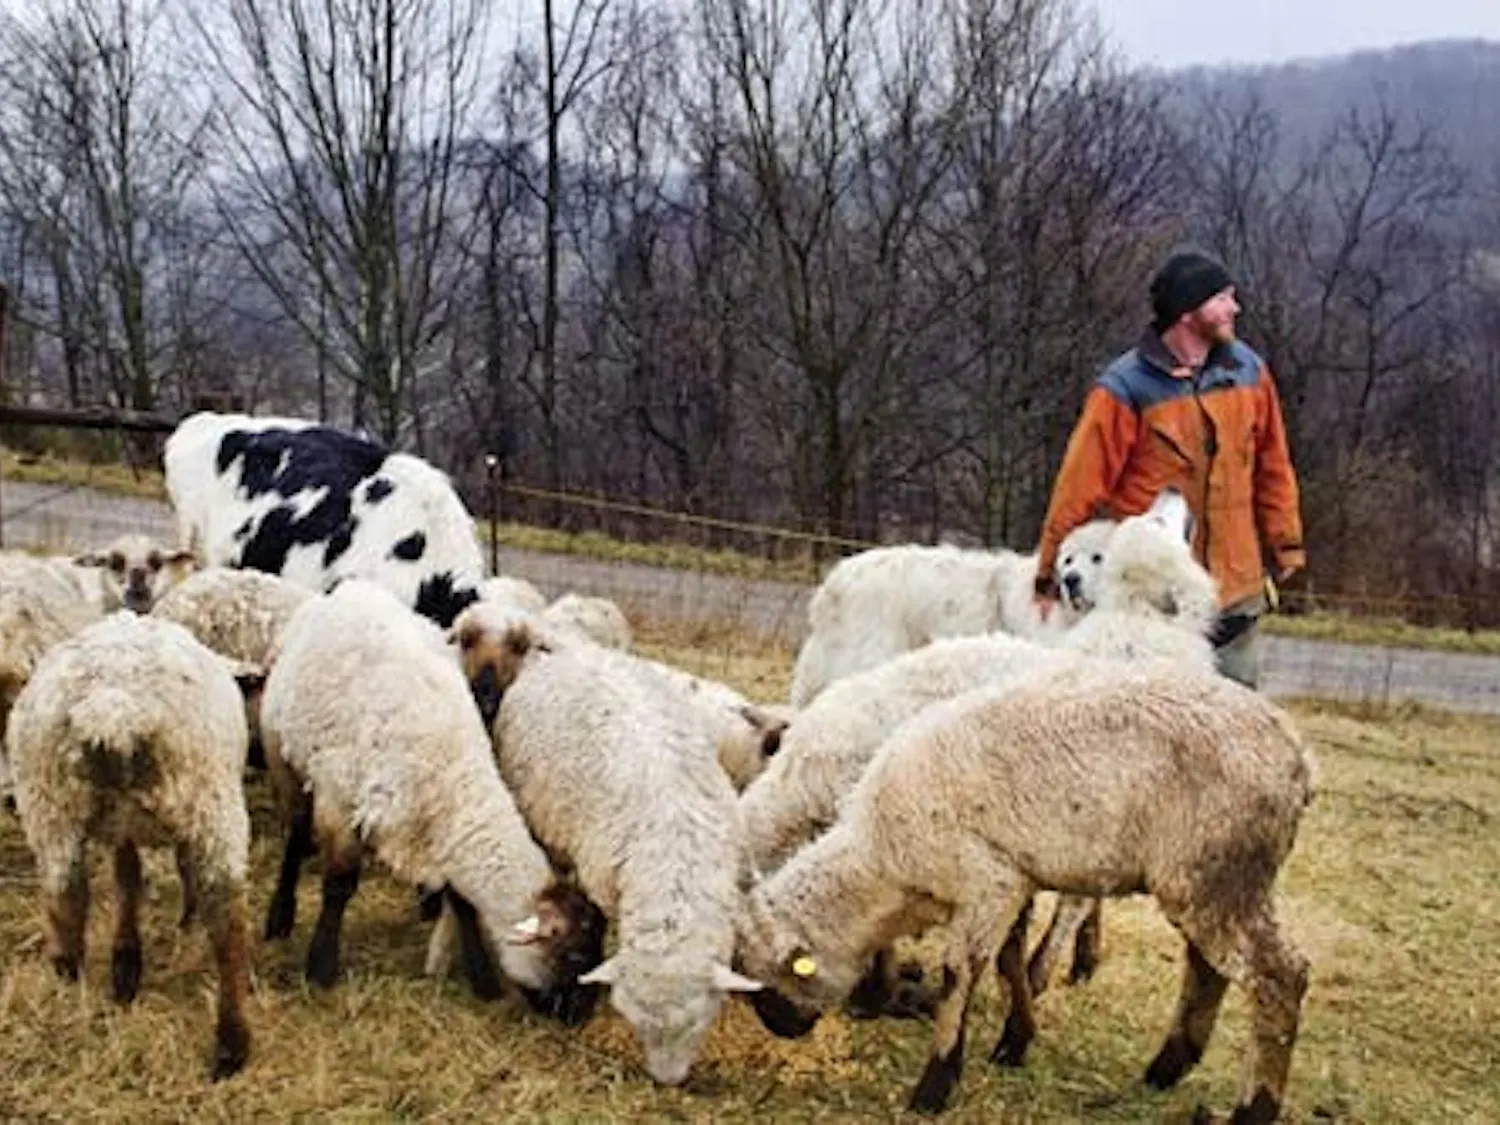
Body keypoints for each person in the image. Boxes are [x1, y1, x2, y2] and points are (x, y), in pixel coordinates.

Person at [1032, 248, 1305, 688]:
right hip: (1153, 600)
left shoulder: (1248, 372)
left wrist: (1284, 542)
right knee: (1152, 713)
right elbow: (1077, 488)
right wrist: (1048, 574)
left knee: (1237, 712)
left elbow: (1273, 464)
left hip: (1236, 592)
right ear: (1187, 312)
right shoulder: (1123, 389)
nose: (1235, 308)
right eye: (1222, 298)